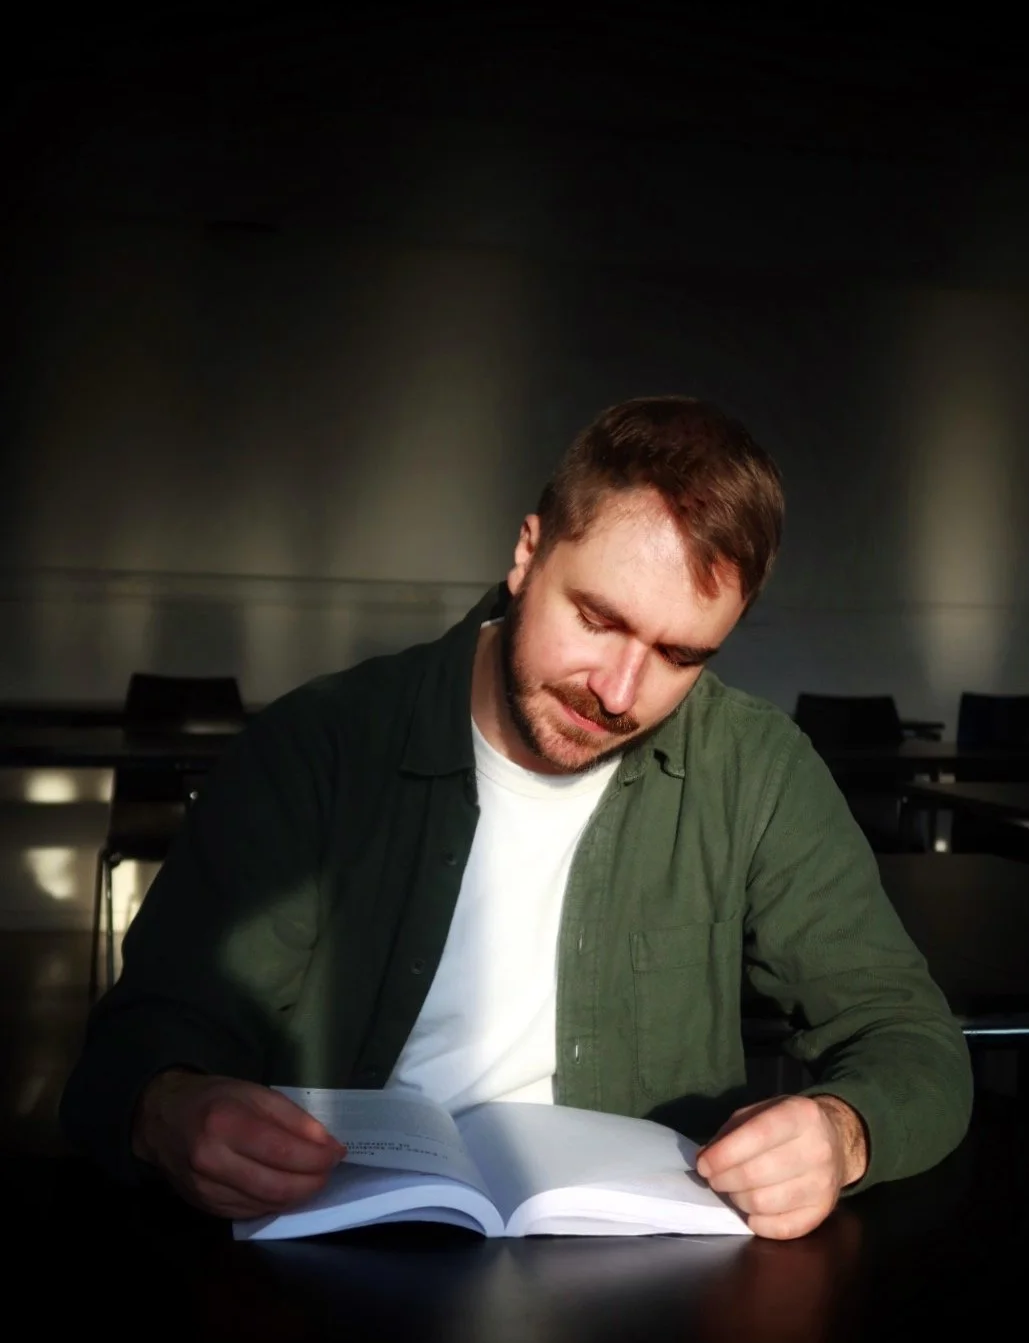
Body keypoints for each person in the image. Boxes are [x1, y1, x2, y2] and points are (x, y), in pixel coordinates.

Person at [60, 397, 972, 1239]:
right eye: (598, 619)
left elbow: (912, 1040)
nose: (620, 693)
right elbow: (139, 1038)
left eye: (679, 656)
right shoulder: (320, 746)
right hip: (341, 1256)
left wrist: (843, 1132)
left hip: (644, 1283)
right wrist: (171, 1109)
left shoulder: (756, 770)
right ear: (527, 554)